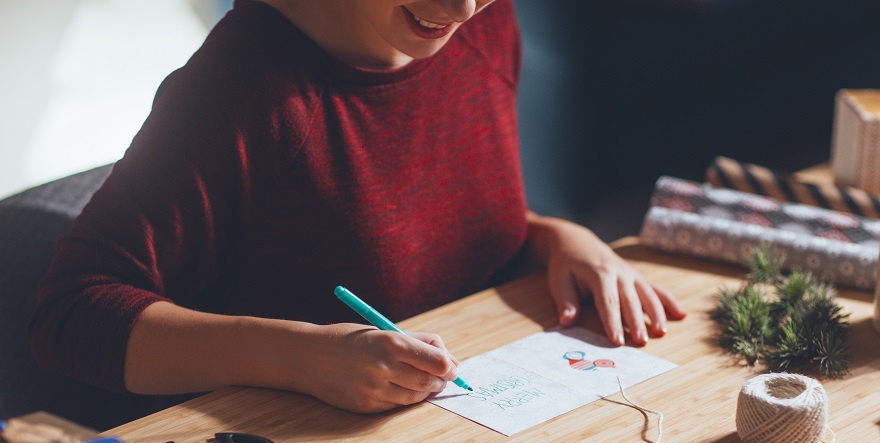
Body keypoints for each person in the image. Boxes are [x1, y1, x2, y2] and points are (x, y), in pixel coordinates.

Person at [29, 0, 684, 415]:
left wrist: (556, 238)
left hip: (462, 426)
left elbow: (434, 223)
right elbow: (69, 317)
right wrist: (306, 357)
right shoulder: (241, 91)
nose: (460, 8)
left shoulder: (486, 23)